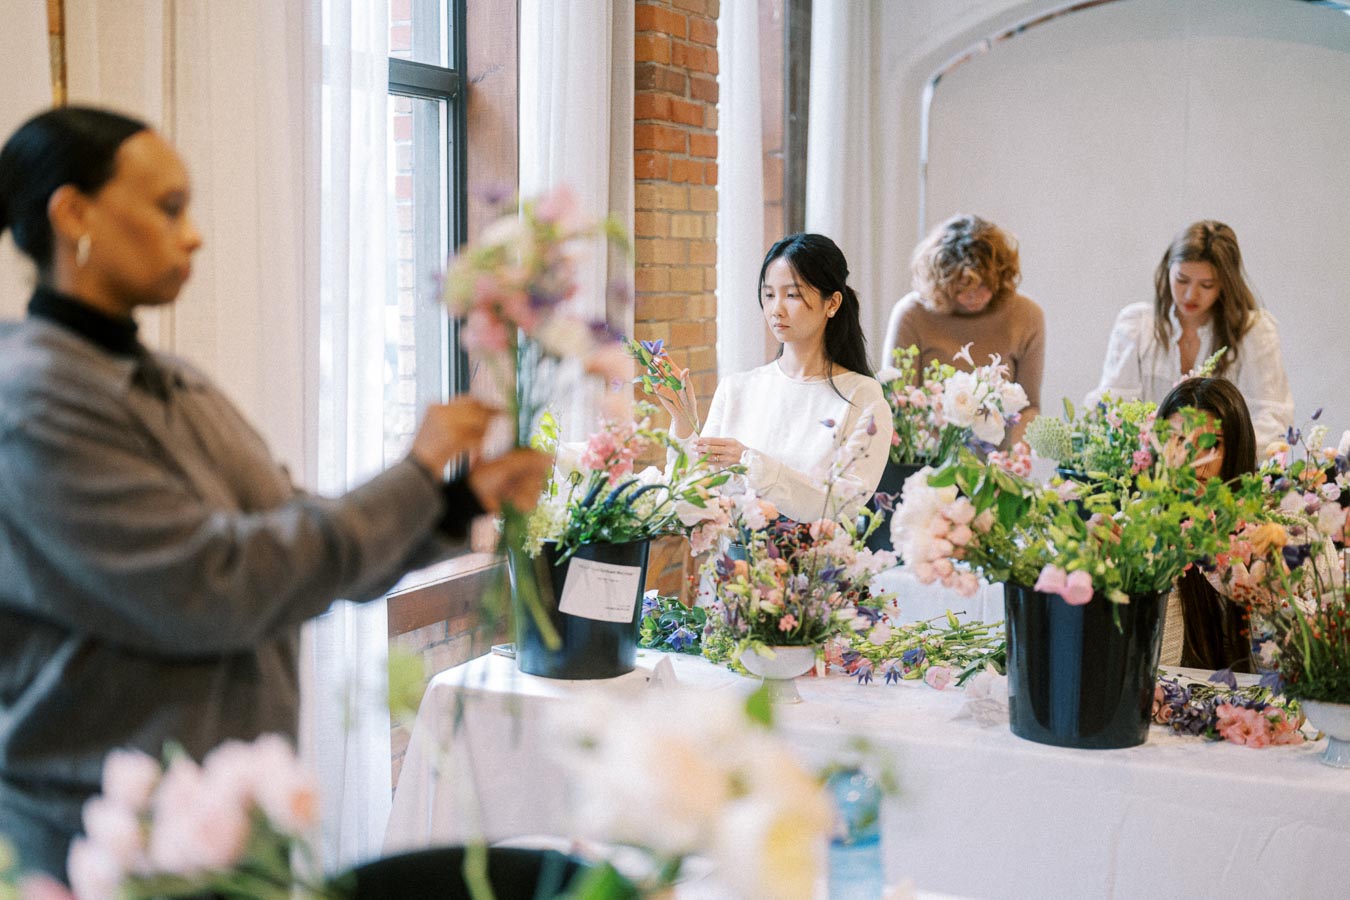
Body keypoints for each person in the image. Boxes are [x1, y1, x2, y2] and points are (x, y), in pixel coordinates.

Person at [0, 107, 552, 877]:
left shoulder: (177, 382)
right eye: (167, 208)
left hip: (222, 829)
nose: (192, 234)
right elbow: (215, 584)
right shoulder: (30, 403)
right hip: (101, 847)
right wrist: (414, 473)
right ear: (73, 213)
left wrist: (459, 502)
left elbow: (304, 548)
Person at [656, 233, 891, 523]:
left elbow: (841, 505)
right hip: (732, 564)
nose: (776, 309)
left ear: (832, 303)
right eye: (769, 295)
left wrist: (752, 463)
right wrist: (683, 420)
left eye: (792, 295)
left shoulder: (863, 397)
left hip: (815, 566)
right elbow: (689, 503)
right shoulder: (736, 389)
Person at [1089, 220, 1294, 452]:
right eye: (1182, 280)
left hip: (1224, 475)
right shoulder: (1136, 325)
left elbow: (1272, 417)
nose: (1190, 294)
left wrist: (1214, 455)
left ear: (1226, 285)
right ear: (1167, 269)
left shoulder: (1253, 331)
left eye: (1206, 285)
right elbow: (1112, 409)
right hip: (1146, 472)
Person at [879, 213, 1044, 446]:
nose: (973, 296)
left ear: (1001, 276)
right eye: (961, 285)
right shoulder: (912, 315)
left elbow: (1028, 408)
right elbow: (900, 405)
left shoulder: (1027, 315)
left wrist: (1014, 460)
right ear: (941, 279)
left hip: (997, 464)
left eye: (984, 285)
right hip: (928, 459)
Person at [1156, 377, 1258, 672]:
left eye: (1211, 444)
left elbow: (1296, 680)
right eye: (1179, 441)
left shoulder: (1272, 534)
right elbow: (1152, 671)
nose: (1194, 462)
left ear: (1237, 449)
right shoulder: (1144, 531)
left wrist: (1253, 597)